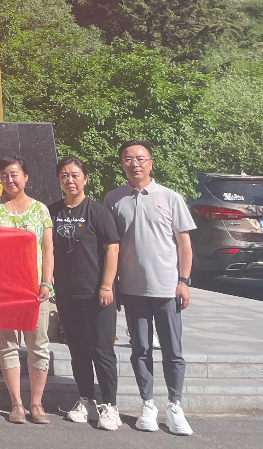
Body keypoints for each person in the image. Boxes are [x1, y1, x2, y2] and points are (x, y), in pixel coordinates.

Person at [104, 140, 195, 437]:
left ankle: (175, 405)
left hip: (167, 288)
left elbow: (184, 243)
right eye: (128, 159)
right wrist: (113, 284)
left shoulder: (170, 197)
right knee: (140, 349)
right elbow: (110, 246)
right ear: (122, 164)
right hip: (132, 289)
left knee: (172, 350)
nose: (134, 164)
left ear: (151, 163)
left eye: (140, 158)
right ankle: (148, 404)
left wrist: (183, 281)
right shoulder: (114, 199)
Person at [50, 156, 120, 431]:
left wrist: (106, 286)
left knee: (102, 350)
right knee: (78, 351)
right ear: (59, 180)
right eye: (64, 176)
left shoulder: (97, 212)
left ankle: (110, 405)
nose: (70, 180)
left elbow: (112, 247)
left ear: (85, 179)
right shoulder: (53, 211)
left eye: (75, 175)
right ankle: (86, 399)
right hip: (67, 295)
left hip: (97, 294)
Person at [0, 156, 54, 425]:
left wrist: (46, 282)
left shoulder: (40, 209)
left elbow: (48, 250)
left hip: (34, 289)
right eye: (4, 175)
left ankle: (36, 403)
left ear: (26, 177)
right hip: (5, 288)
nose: (9, 180)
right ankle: (16, 402)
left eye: (14, 174)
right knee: (8, 345)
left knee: (38, 345)